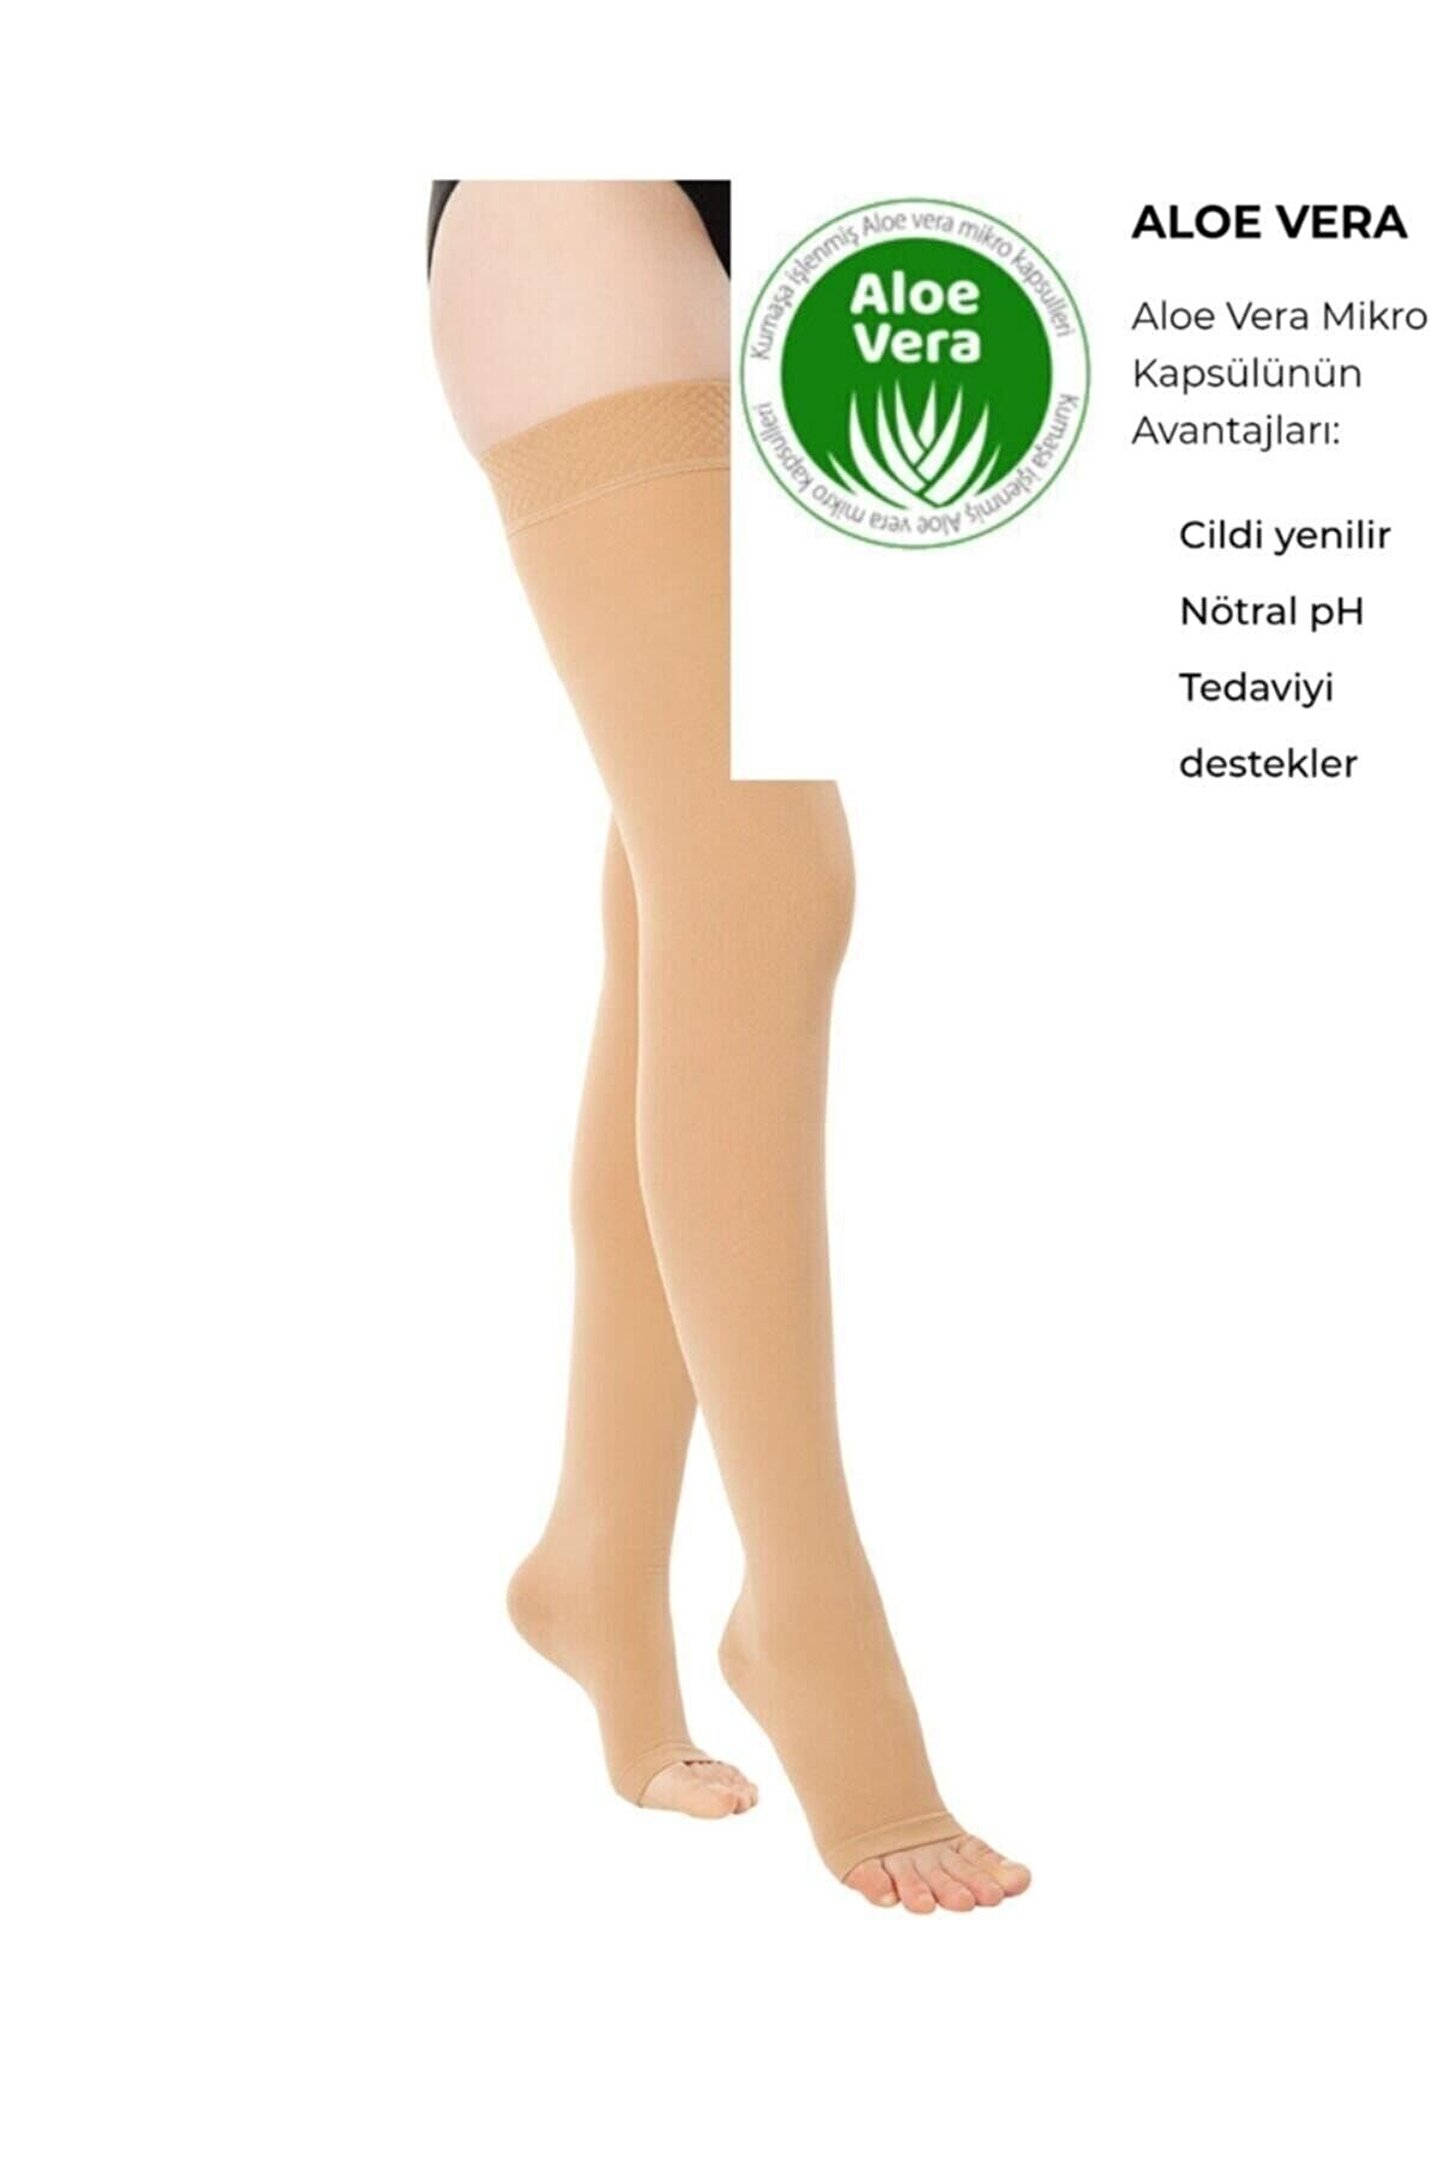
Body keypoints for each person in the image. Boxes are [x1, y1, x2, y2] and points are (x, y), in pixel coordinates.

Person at [427, 180, 1029, 1914]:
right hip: (587, 185)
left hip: (834, 212)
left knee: (679, 895)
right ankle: (808, 1619)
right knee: (760, 876)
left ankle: (598, 1560)